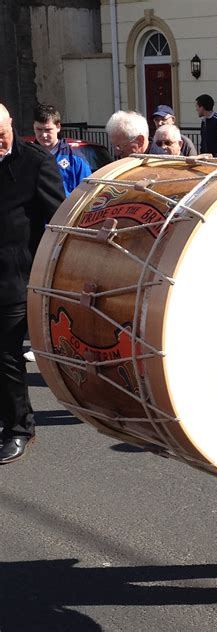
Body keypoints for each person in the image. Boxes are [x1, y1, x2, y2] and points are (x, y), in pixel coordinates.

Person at [0, 103, 65, 463]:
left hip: (16, 277)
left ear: (12, 125)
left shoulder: (36, 162)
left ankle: (19, 428)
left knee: (7, 356)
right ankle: (5, 419)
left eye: (1, 134)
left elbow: (57, 220)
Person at [33, 103, 92, 196]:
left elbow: (88, 192)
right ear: (33, 127)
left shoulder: (74, 158)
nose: (43, 135)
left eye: (48, 130)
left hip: (66, 210)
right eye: (39, 129)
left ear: (58, 127)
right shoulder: (28, 156)